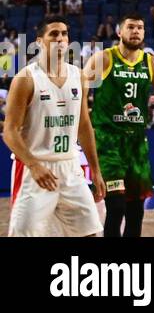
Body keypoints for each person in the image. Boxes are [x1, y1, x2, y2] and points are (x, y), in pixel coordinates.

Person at [83, 11, 154, 237]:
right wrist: (84, 124)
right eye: (130, 27)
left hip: (136, 144)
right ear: (119, 31)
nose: (135, 31)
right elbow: (78, 93)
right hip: (108, 142)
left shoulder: (151, 62)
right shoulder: (104, 58)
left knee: (136, 213)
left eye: (139, 28)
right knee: (116, 208)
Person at [4, 15, 105, 236]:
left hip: (70, 166)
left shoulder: (79, 75)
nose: (60, 39)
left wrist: (96, 170)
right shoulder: (26, 78)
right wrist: (33, 165)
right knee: (24, 234)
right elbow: (9, 132)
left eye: (64, 34)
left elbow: (84, 125)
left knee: (89, 231)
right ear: (39, 41)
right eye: (53, 34)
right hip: (35, 168)